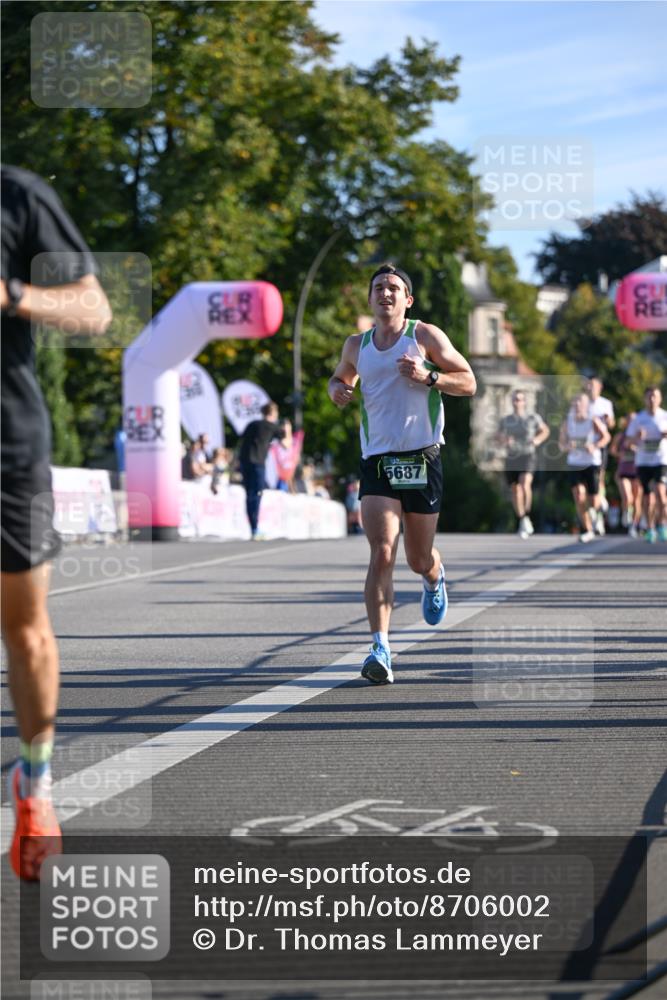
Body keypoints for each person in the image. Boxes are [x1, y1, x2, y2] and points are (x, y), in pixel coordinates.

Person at [1, 165, 112, 879]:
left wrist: (12, 295)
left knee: (25, 629)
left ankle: (35, 781)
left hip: (8, 448)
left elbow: (94, 311)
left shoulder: (18, 195)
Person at [328, 262, 476, 685]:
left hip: (422, 459)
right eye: (379, 287)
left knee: (416, 558)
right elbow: (339, 378)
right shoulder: (357, 345)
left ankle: (434, 576)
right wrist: (336, 389)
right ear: (371, 298)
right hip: (377, 461)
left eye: (394, 288)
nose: (385, 293)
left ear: (407, 299)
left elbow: (468, 382)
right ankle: (380, 648)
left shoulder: (424, 336)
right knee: (382, 551)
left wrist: (429, 375)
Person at [496, 389, 550, 539]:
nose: (517, 402)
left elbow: (545, 431)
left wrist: (537, 440)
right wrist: (504, 440)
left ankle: (527, 514)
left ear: (524, 402)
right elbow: (498, 436)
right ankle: (522, 519)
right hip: (512, 456)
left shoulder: (533, 418)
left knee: (525, 483)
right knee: (515, 489)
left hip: (528, 454)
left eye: (519, 399)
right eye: (514, 399)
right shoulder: (506, 420)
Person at [559, 392, 611, 543]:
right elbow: (561, 444)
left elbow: (606, 437)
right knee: (579, 495)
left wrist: (594, 446)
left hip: (591, 462)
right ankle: (587, 529)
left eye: (580, 403)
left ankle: (600, 503)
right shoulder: (568, 422)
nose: (577, 406)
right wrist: (567, 446)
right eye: (574, 403)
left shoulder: (592, 420)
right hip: (574, 463)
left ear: (586, 405)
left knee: (593, 501)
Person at [626, 387, 667, 543]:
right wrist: (637, 437)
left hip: (661, 460)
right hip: (643, 461)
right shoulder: (638, 419)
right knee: (648, 498)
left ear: (660, 399)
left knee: (662, 496)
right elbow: (628, 442)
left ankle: (662, 524)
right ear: (644, 399)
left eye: (655, 397)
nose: (652, 400)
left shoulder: (665, 416)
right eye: (649, 397)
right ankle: (650, 528)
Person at [238, 401, 282, 539]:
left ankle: (253, 527)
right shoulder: (272, 426)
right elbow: (286, 443)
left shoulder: (252, 424)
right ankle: (255, 529)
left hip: (245, 462)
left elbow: (242, 442)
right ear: (273, 413)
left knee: (249, 495)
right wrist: (288, 428)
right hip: (258, 463)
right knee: (257, 494)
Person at [585, 376, 615, 535]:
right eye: (588, 386)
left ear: (599, 388)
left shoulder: (605, 404)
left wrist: (607, 420)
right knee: (586, 485)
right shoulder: (583, 403)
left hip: (599, 446)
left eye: (593, 386)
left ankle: (599, 507)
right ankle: (597, 509)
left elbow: (612, 425)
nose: (590, 388)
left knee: (600, 477)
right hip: (584, 447)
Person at [610, 414, 642, 536]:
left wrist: (637, 450)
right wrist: (620, 454)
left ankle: (634, 525)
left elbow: (648, 450)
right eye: (629, 420)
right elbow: (612, 450)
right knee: (627, 497)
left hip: (638, 471)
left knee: (636, 500)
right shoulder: (620, 436)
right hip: (623, 471)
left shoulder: (640, 435)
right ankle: (626, 513)